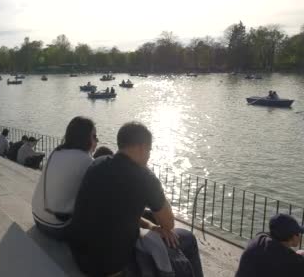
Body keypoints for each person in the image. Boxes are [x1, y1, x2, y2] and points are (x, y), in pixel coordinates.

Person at [68, 122, 203, 277]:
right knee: (188, 239)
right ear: (142, 147)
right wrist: (154, 182)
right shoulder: (145, 178)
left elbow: (117, 212)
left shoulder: (98, 163)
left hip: (81, 257)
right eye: (149, 150)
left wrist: (151, 226)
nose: (149, 155)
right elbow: (168, 223)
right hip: (109, 266)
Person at [31, 116, 97, 240]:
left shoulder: (56, 152)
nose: (96, 141)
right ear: (85, 138)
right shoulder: (87, 160)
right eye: (94, 136)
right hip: (58, 226)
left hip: (37, 217)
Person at [236, 213, 304, 277]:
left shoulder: (258, 240)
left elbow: (276, 254)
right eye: (299, 233)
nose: (300, 236)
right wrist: (297, 258)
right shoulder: (291, 261)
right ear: (294, 236)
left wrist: (295, 256)